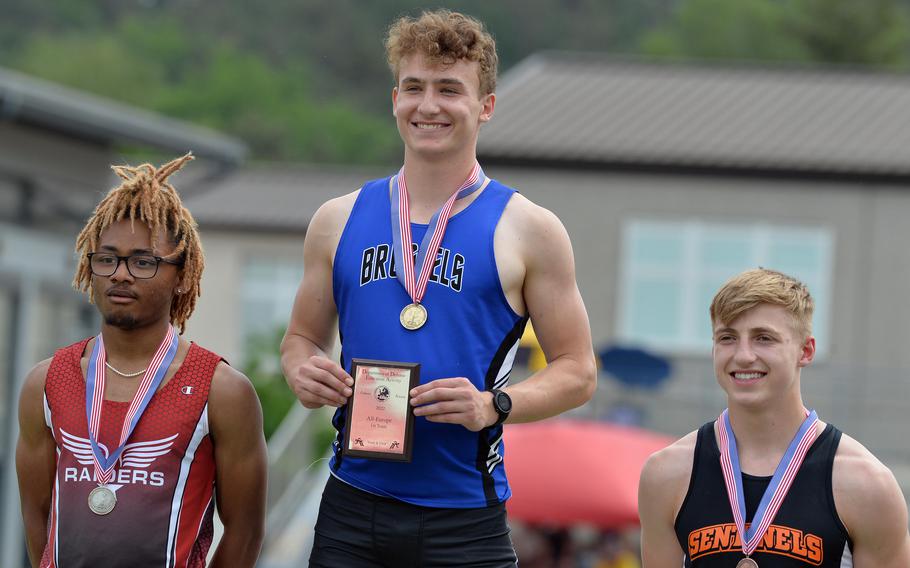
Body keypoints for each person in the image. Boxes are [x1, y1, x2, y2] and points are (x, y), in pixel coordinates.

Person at [280, 9, 596, 567]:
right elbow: (300, 340)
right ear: (394, 99)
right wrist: (302, 370)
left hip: (466, 520)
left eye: (449, 89)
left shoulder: (530, 229)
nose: (428, 106)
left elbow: (578, 371)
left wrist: (493, 404)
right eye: (414, 88)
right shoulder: (337, 219)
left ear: (485, 106)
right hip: (352, 510)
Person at [16, 154, 268, 568]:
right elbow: (36, 513)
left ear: (183, 275)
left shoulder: (222, 391)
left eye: (143, 261)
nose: (120, 274)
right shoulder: (45, 382)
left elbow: (244, 531)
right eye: (107, 258)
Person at [638, 268, 910, 566]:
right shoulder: (667, 474)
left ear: (805, 351)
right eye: (727, 337)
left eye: (763, 338)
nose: (743, 355)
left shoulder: (866, 484)